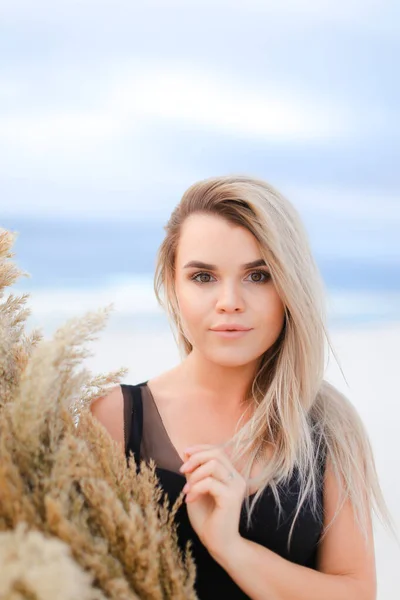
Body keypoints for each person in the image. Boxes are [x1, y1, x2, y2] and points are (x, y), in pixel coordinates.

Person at [90, 175, 390, 600]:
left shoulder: (329, 425)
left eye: (259, 275)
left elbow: (356, 593)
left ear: (291, 288)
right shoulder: (114, 418)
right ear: (173, 288)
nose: (229, 300)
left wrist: (230, 548)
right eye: (203, 277)